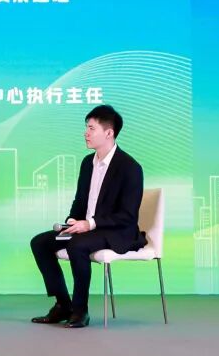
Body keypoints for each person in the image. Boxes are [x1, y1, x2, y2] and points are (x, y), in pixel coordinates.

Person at [30, 105, 146, 329]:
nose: (86, 133)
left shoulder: (130, 167)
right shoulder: (87, 162)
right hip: (86, 229)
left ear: (109, 133)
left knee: (77, 245)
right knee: (40, 243)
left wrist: (90, 224)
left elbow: (127, 215)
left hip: (116, 232)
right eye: (86, 128)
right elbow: (80, 201)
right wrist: (72, 220)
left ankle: (80, 310)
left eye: (91, 128)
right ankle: (63, 304)